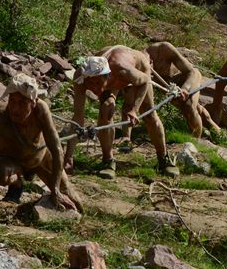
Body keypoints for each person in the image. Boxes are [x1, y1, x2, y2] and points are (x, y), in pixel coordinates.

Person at [0, 74, 82, 213]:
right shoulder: (1, 114)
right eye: (12, 101)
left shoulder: (41, 110)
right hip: (12, 160)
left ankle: (84, 217)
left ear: (33, 103)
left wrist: (55, 191)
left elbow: (56, 149)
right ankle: (16, 186)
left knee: (69, 194)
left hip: (41, 157)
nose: (15, 109)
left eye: (22, 103)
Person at [64, 45, 176, 178]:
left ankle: (163, 159)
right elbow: (78, 117)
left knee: (150, 115)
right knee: (106, 110)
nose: (94, 88)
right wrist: (68, 157)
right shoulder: (81, 77)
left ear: (107, 76)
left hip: (138, 72)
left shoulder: (123, 71)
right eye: (91, 83)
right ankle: (108, 161)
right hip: (112, 80)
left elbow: (145, 81)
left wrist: (134, 109)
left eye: (98, 83)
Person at [145, 41, 218, 138]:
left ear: (150, 61)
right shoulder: (138, 64)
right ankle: (217, 132)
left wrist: (185, 88)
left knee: (189, 106)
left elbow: (191, 72)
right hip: (170, 87)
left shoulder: (163, 49)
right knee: (193, 109)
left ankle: (196, 142)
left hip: (189, 78)